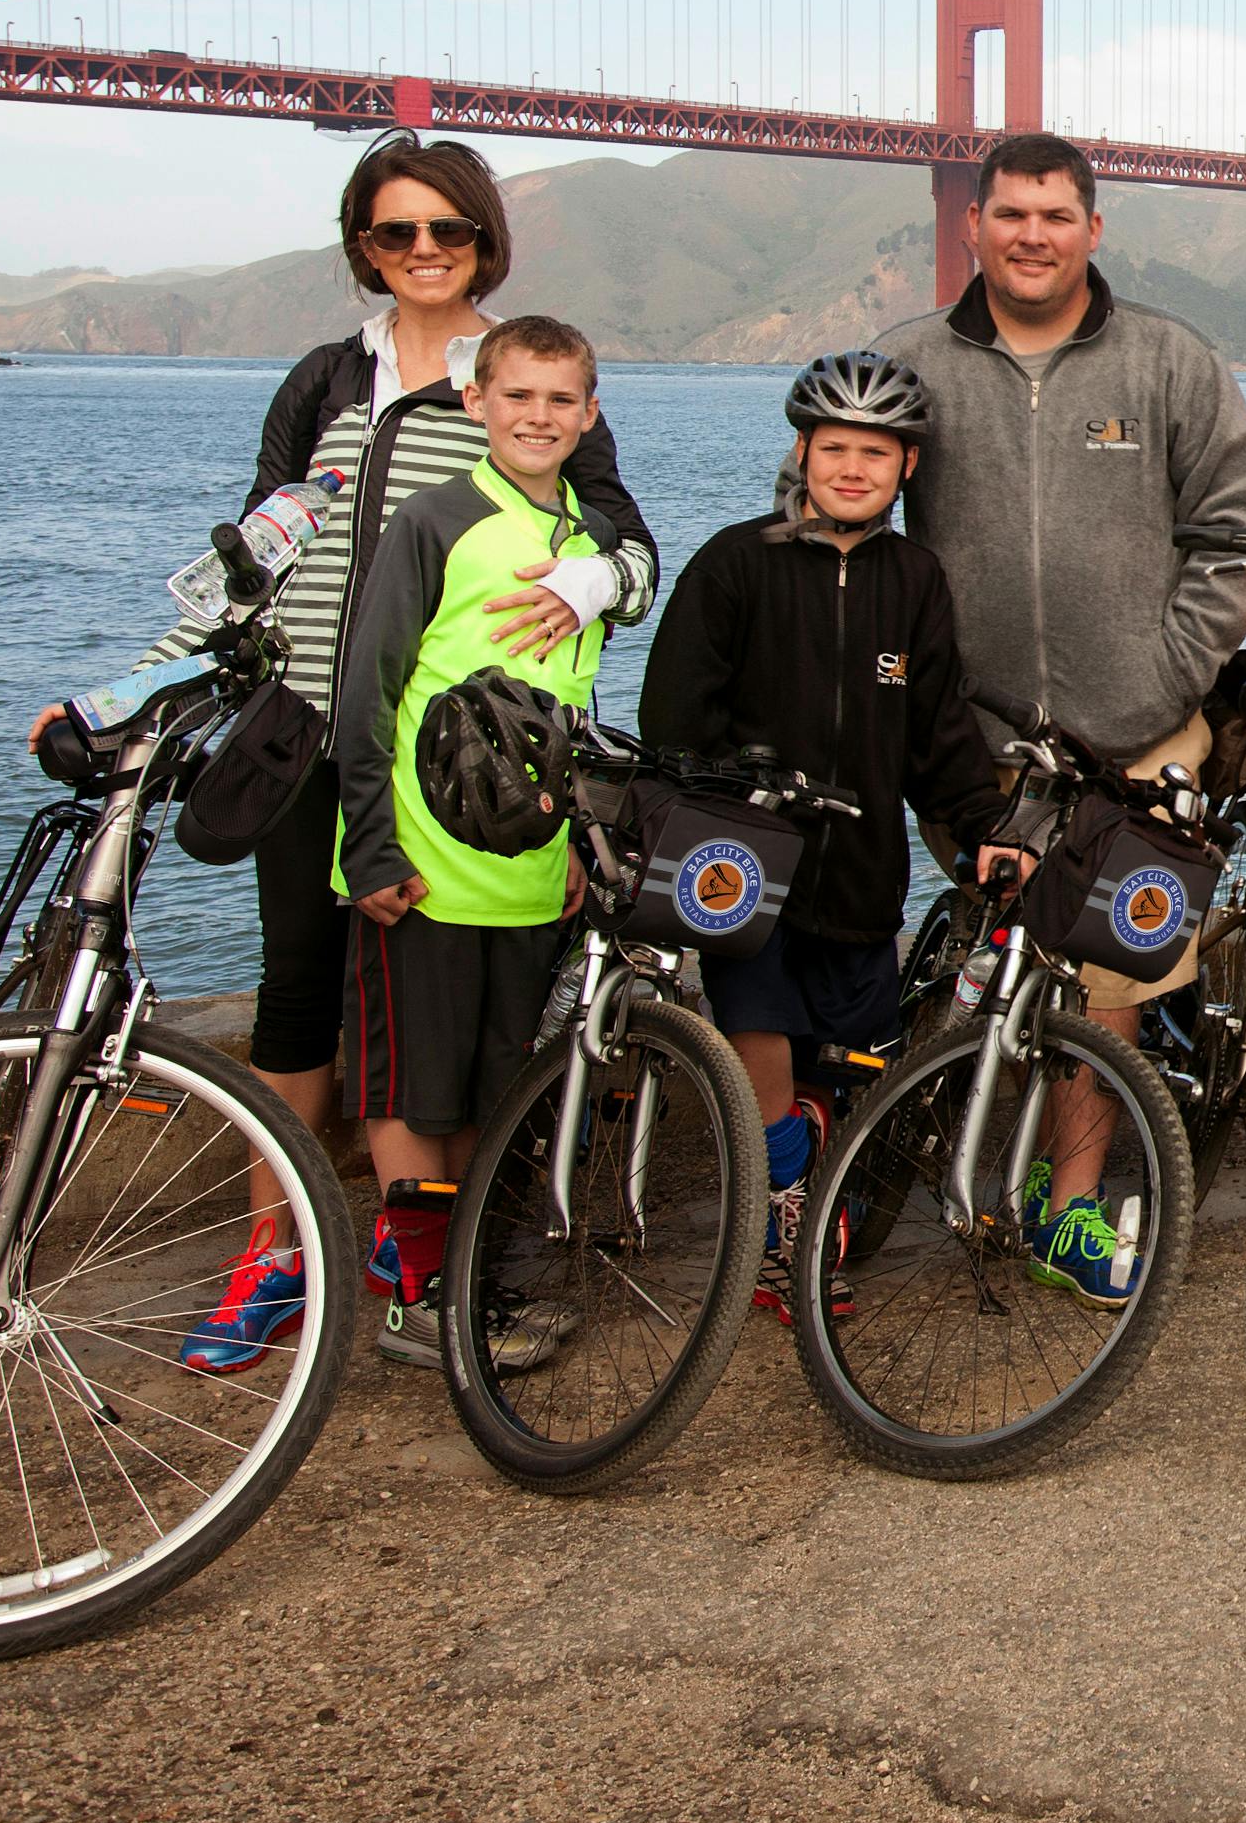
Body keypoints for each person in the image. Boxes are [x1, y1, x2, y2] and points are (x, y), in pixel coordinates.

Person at [153, 133, 656, 1377]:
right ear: (364, 246)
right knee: (296, 991)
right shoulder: (327, 378)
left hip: (452, 762)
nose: (423, 250)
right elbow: (257, 547)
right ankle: (272, 1254)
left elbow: (629, 548)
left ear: (485, 240)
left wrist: (593, 582)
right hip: (306, 726)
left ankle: (417, 1261)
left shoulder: (525, 376)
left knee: (447, 1023)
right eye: (395, 231)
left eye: (447, 229)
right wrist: (142, 681)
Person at [873, 131, 1246, 1304]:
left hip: (1136, 739)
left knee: (1101, 981)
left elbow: (1238, 539)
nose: (1032, 235)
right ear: (973, 225)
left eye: (1057, 215)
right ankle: (943, 1156)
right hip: (977, 741)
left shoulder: (1168, 358)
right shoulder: (910, 362)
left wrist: (1162, 675)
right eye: (1011, 213)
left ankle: (1073, 1209)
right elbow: (835, 515)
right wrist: (906, 685)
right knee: (1006, 960)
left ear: (1093, 229)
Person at [639, 351, 1021, 1322]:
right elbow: (673, 715)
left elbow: (938, 729)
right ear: (803, 452)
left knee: (845, 1065)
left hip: (861, 867)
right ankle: (782, 1225)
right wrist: (728, 791)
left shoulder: (914, 578)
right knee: (759, 1027)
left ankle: (809, 1169)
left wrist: (984, 826)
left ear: (908, 466)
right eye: (836, 448)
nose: (854, 468)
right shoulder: (735, 561)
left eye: (876, 453)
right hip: (749, 867)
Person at [330, 314, 623, 1370]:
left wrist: (578, 844)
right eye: (518, 395)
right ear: (476, 402)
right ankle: (420, 1302)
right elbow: (366, 688)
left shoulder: (589, 540)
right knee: (414, 1090)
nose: (538, 416)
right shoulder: (434, 518)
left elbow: (568, 710)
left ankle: (470, 1288)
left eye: (560, 399)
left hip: (530, 873)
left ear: (589, 414)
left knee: (494, 1097)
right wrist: (370, 847)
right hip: (425, 868)